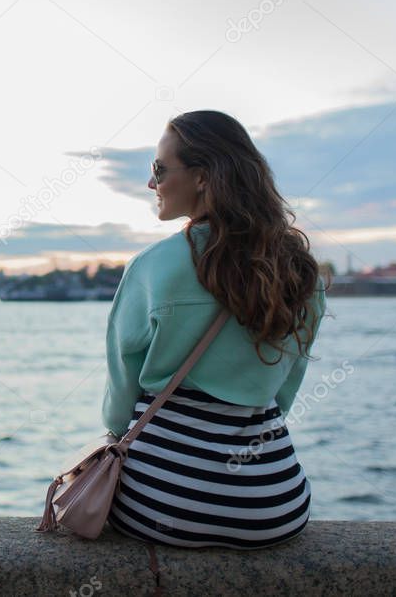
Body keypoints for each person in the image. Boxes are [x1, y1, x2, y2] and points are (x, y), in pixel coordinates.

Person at [102, 110, 330, 550]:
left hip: (160, 503)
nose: (152, 184)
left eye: (159, 170)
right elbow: (283, 394)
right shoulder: (299, 271)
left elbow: (119, 401)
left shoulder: (151, 268)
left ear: (203, 177)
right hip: (273, 505)